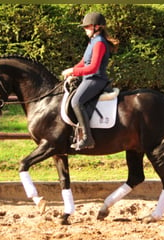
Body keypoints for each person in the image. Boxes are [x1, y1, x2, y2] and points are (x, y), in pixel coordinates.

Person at [62, 12, 119, 150]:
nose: (85, 29)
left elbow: (93, 68)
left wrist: (73, 71)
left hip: (96, 79)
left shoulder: (99, 43)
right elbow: (83, 62)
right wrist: (73, 71)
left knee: (76, 101)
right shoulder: (92, 41)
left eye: (87, 26)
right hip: (88, 78)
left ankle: (87, 138)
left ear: (97, 27)